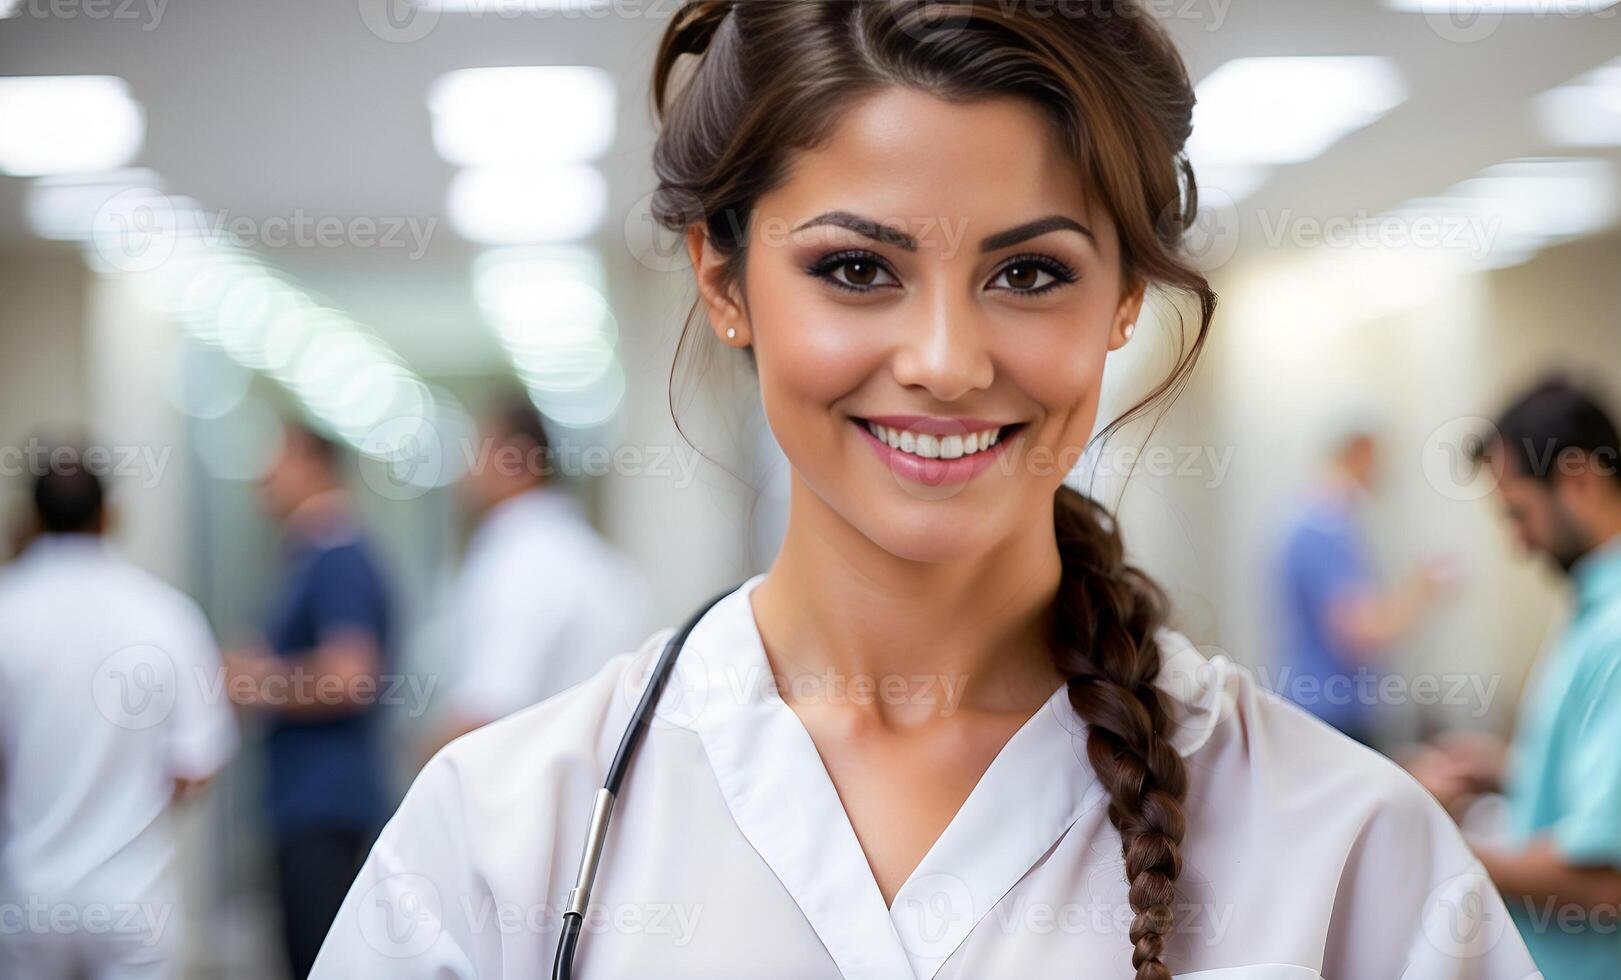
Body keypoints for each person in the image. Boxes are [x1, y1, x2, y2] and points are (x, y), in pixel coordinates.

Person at [311, 3, 1540, 976]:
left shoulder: (1349, 849)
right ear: (723, 280)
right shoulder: (503, 832)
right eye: (855, 267)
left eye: (1030, 271)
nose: (948, 361)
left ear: (1123, 296)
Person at [1409, 378, 1621, 978]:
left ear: (1579, 478)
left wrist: (1428, 841)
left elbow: (1607, 881)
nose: (1519, 542)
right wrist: (1514, 773)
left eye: (1520, 514)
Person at [0, 443, 238, 979]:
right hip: (133, 898)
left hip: (25, 895)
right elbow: (195, 767)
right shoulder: (164, 614)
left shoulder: (7, 610)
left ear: (30, 518)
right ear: (110, 515)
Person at [224, 421, 395, 980]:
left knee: (320, 962)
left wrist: (255, 680)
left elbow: (349, 675)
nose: (263, 476)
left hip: (323, 805)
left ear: (313, 466)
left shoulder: (337, 555)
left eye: (276, 459)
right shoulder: (307, 558)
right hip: (307, 801)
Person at [423, 391, 652, 755]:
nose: (464, 471)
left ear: (515, 459)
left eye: (478, 450)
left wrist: (421, 760)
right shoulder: (587, 554)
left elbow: (488, 706)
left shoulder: (523, 560)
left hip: (533, 785)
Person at [1276, 425, 1452, 749]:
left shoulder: (1312, 521)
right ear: (1358, 454)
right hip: (1332, 718)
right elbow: (1359, 635)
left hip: (1325, 713)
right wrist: (1421, 590)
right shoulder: (1326, 527)